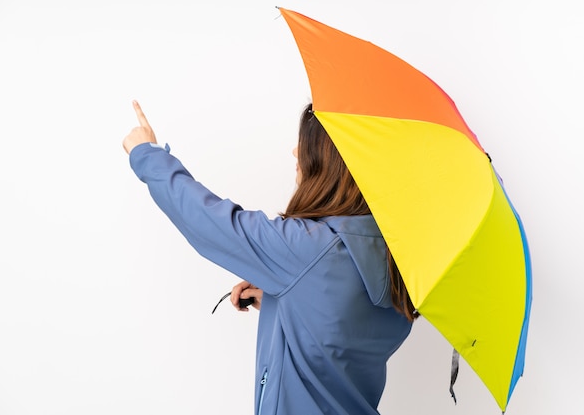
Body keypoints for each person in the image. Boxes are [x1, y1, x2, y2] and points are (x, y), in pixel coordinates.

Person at [123, 100, 418, 415]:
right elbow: (338, 335)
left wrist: (147, 154)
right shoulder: (400, 261)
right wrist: (289, 304)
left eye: (305, 144)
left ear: (329, 161)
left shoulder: (309, 249)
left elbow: (210, 221)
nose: (295, 152)